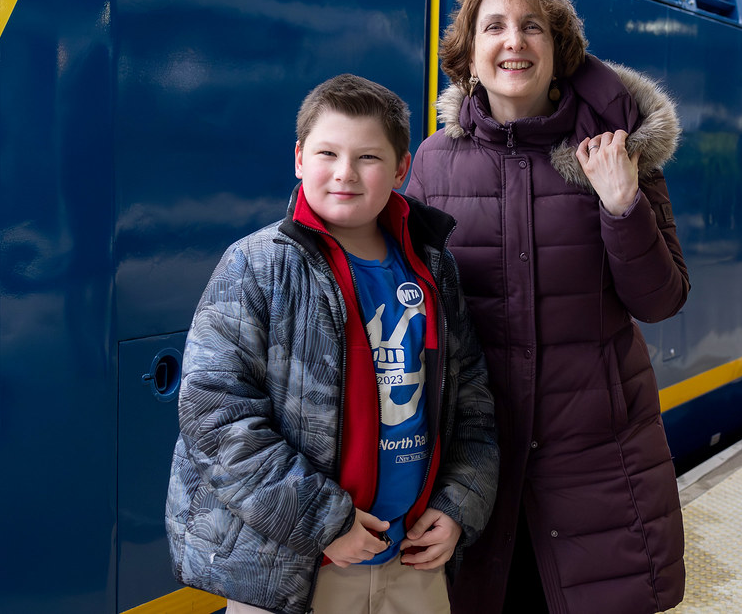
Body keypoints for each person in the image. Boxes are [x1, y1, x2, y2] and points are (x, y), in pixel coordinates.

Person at [405, 0, 689, 614]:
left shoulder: (616, 154)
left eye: (533, 27)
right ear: (468, 53)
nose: (515, 42)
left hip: (600, 475)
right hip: (476, 476)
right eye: (495, 26)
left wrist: (623, 206)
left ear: (557, 51)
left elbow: (661, 299)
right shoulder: (432, 164)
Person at [165, 74, 499, 614]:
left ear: (401, 169)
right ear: (299, 158)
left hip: (411, 561)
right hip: (294, 566)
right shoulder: (255, 265)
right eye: (327, 153)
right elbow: (214, 415)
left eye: (368, 157)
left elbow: (473, 402)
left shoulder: (434, 267)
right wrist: (324, 523)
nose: (345, 173)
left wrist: (459, 504)